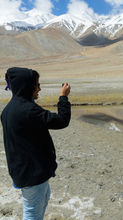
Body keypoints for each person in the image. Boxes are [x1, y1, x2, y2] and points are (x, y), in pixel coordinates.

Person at [1, 67, 71, 220]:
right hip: (32, 174)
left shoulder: (9, 110)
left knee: (41, 203)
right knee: (32, 213)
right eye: (36, 84)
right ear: (27, 86)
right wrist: (63, 97)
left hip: (27, 171)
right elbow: (61, 120)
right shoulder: (27, 110)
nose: (39, 88)